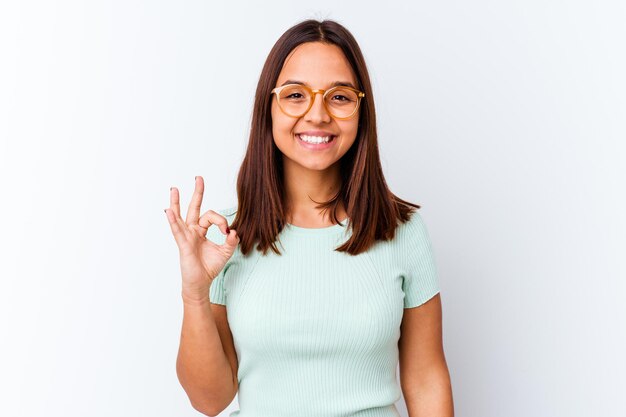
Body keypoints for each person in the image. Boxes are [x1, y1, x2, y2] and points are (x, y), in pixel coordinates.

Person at [165, 18, 454, 417]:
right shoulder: (226, 236)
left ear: (360, 108)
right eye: (296, 95)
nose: (317, 115)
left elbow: (426, 379)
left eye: (339, 97)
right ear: (268, 107)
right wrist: (194, 292)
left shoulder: (402, 231)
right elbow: (209, 400)